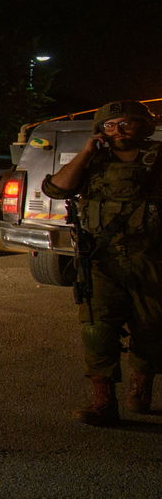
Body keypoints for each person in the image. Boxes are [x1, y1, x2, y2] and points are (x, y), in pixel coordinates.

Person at [40, 100, 162, 426]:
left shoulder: (159, 158)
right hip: (102, 260)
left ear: (142, 125)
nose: (117, 131)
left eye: (125, 124)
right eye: (109, 126)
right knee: (96, 329)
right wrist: (85, 153)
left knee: (151, 330)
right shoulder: (93, 161)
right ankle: (103, 402)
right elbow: (55, 189)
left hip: (151, 260)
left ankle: (140, 388)